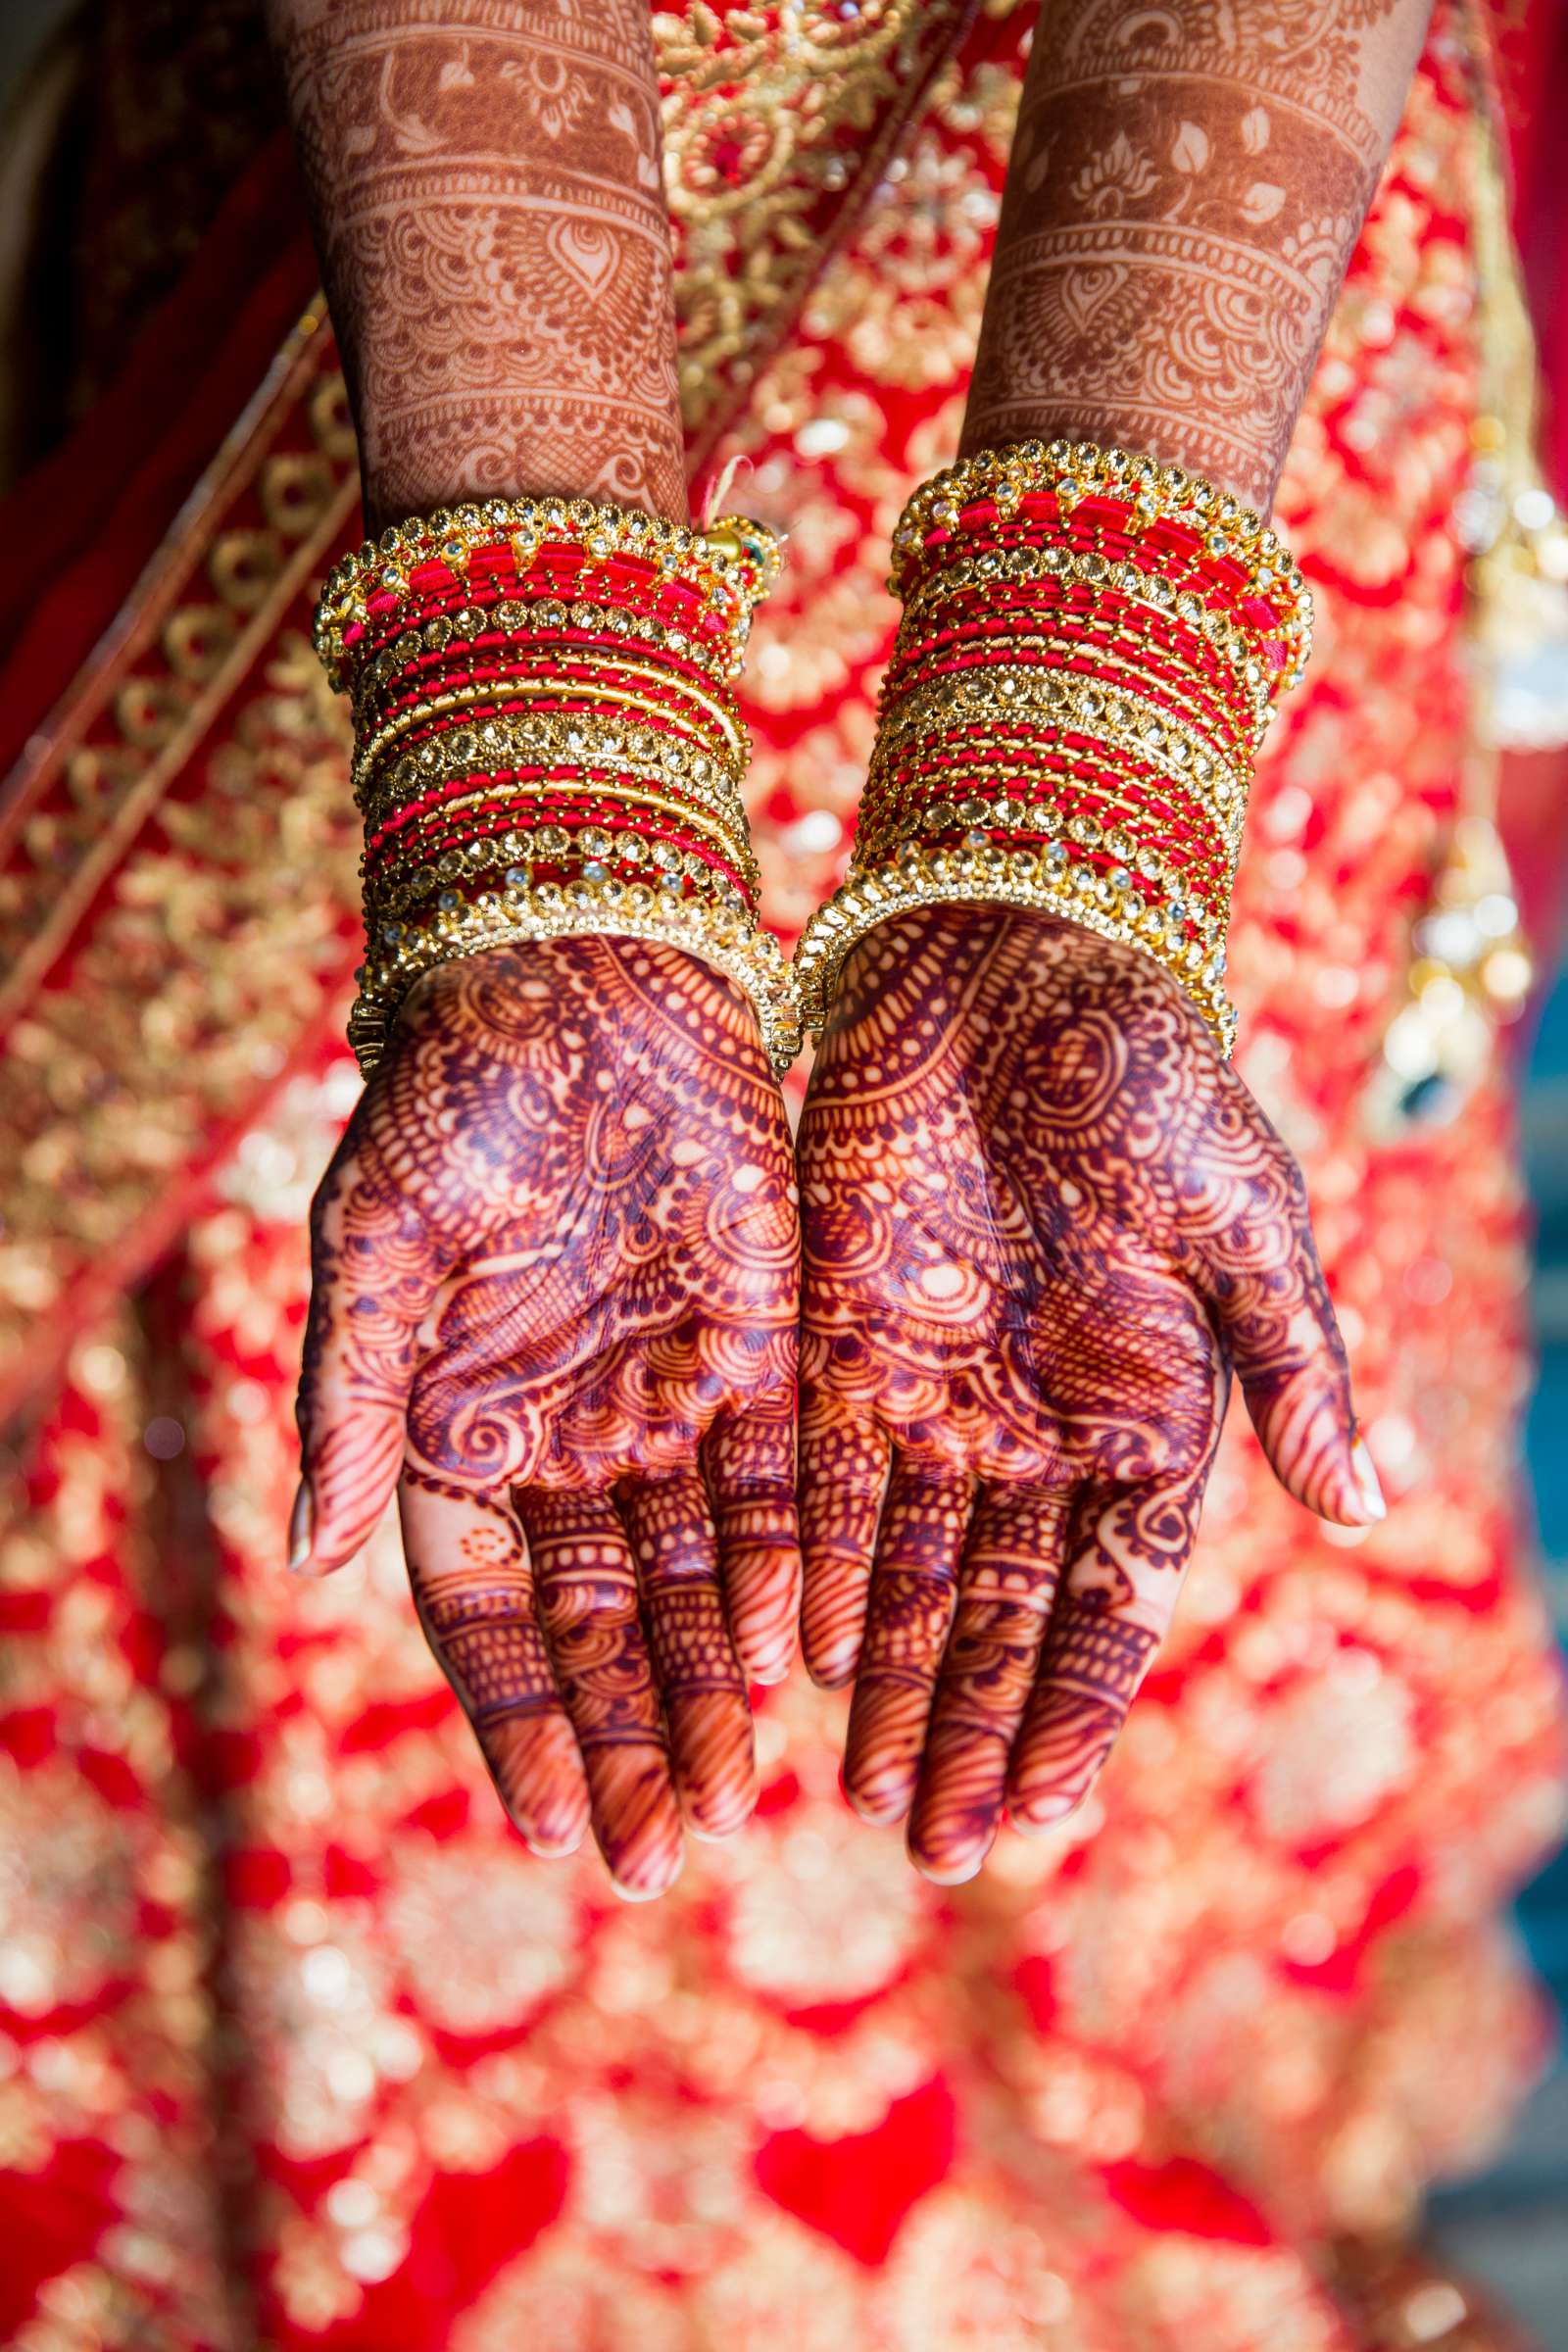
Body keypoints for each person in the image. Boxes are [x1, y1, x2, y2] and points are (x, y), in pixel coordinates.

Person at [0, 0, 1563, 2344]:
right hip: (415, 367)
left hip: (1201, 373)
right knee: (425, 1431)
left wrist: (1080, 750)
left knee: (1097, 1439)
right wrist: (537, 780)